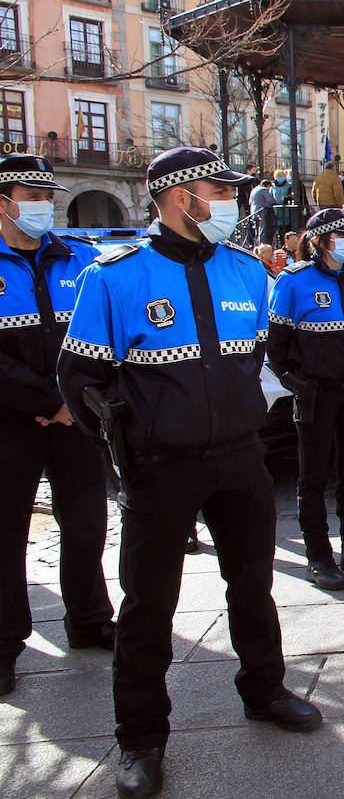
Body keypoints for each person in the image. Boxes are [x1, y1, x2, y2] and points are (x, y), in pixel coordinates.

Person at [57, 146, 321, 798]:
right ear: (180, 197)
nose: (230, 203)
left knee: (253, 585)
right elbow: (79, 378)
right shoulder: (115, 275)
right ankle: (140, 738)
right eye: (218, 190)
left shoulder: (243, 272)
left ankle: (264, 690)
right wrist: (133, 447)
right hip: (159, 468)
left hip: (239, 459)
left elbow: (251, 360)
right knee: (149, 606)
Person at [0, 153, 115, 698]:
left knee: (88, 523)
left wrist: (76, 401)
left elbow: (103, 337)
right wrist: (48, 400)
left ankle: (90, 619)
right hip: (9, 422)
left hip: (78, 420)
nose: (46, 205)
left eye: (49, 195)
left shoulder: (82, 260)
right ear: (4, 203)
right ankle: (3, 645)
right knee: (5, 536)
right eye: (32, 197)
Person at [268, 208, 344, 590]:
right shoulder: (293, 281)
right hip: (316, 393)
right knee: (313, 477)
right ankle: (319, 556)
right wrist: (297, 384)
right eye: (343, 236)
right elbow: (276, 347)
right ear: (319, 241)